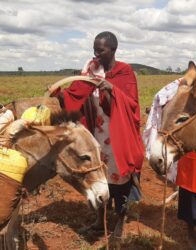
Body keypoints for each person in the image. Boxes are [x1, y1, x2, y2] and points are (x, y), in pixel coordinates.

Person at [50, 31, 144, 237]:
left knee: (119, 179)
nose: (96, 54)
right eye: (94, 49)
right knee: (98, 176)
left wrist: (111, 90)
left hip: (118, 135)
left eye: (100, 50)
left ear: (113, 50)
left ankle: (121, 220)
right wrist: (59, 94)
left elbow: (132, 105)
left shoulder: (124, 72)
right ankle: (100, 220)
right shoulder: (92, 70)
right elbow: (76, 94)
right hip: (96, 135)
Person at [144, 45, 196, 250]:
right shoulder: (182, 85)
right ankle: (191, 234)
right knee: (193, 196)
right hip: (192, 152)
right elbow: (160, 100)